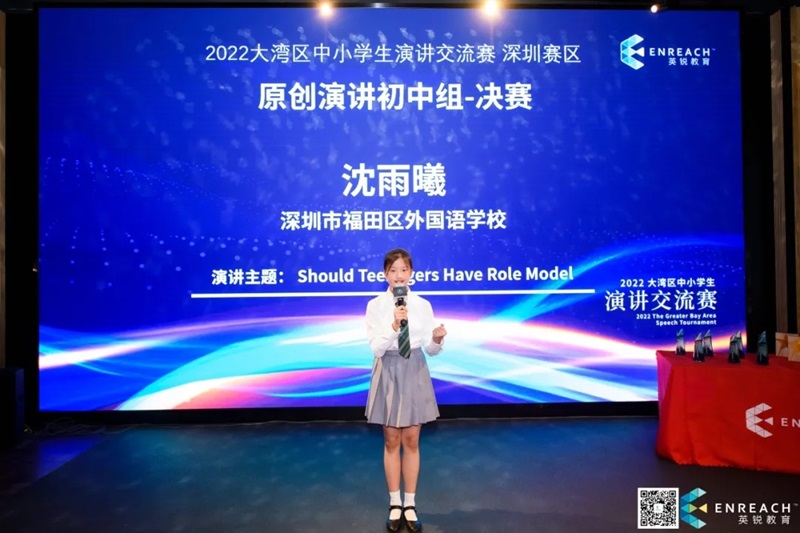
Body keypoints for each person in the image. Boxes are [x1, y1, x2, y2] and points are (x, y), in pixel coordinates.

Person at [365, 248, 447, 533]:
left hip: (414, 368)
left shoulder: (422, 305)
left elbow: (430, 349)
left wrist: (437, 340)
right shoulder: (375, 305)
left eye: (403, 270)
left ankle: (410, 504)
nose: (398, 275)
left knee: (411, 440)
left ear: (411, 273)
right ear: (385, 274)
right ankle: (395, 503)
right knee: (391, 440)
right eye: (393, 270)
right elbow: (376, 348)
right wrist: (393, 326)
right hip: (388, 369)